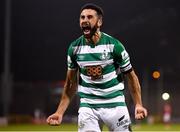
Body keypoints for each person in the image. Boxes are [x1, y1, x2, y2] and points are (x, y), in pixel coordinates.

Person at [46, 3, 147, 132]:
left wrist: (138, 104)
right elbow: (70, 84)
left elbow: (131, 77)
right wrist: (59, 112)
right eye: (82, 18)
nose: (85, 21)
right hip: (88, 106)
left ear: (99, 22)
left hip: (115, 105)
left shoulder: (114, 46)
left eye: (89, 17)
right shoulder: (74, 48)